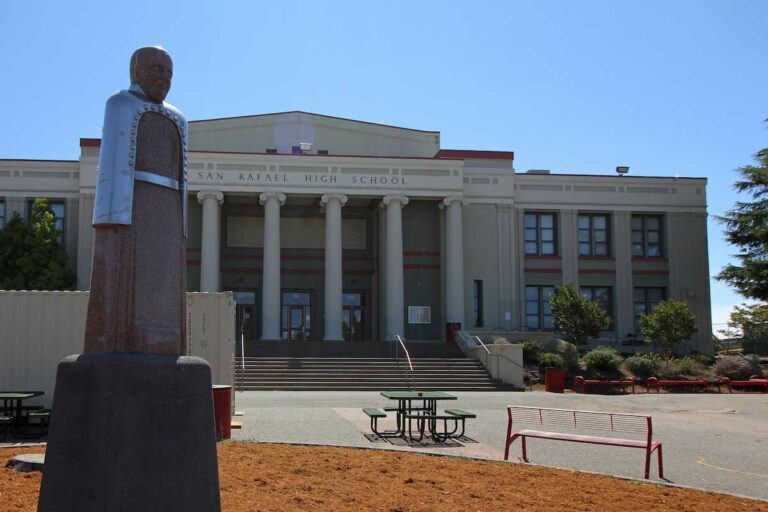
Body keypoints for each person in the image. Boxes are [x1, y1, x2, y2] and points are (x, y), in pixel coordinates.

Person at [84, 46, 189, 354]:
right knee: (125, 286)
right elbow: (114, 163)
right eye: (157, 69)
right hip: (129, 211)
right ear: (137, 71)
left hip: (168, 209)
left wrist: (178, 223)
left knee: (165, 281)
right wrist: (113, 218)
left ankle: (168, 346)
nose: (164, 78)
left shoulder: (177, 118)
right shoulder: (121, 104)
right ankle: (118, 346)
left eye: (169, 73)